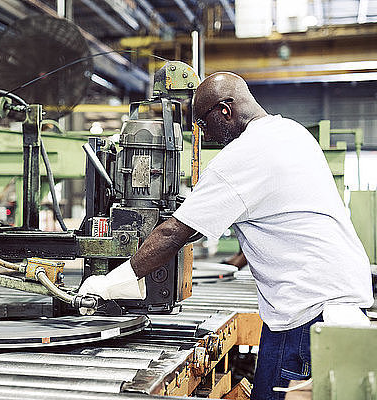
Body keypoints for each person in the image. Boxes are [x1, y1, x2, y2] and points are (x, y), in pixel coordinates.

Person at [78, 72, 373, 400]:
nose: (204, 135)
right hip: (339, 308)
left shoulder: (244, 155)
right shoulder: (291, 132)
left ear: (225, 111)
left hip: (304, 318)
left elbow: (175, 232)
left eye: (202, 124)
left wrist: (113, 281)